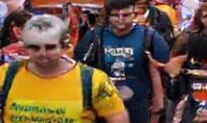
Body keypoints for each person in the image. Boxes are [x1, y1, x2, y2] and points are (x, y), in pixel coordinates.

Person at [0, 14, 128, 123]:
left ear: (64, 48)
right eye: (34, 47)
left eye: (50, 47)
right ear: (25, 47)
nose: (42, 53)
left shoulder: (93, 80)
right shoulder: (6, 75)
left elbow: (117, 117)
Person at [75, 0, 170, 123]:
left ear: (134, 14)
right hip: (103, 105)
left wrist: (158, 100)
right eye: (115, 15)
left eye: (125, 15)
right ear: (108, 16)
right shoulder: (95, 36)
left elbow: (162, 67)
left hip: (140, 105)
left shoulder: (149, 36)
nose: (120, 19)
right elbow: (80, 68)